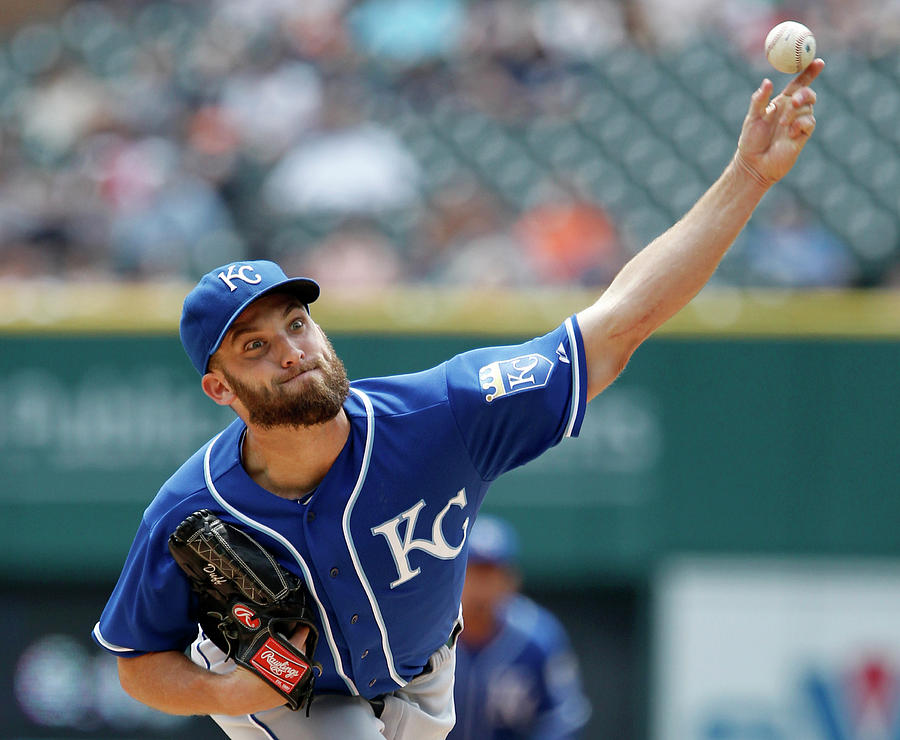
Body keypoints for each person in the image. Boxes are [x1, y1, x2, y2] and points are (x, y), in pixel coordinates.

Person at [91, 60, 823, 740]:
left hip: (421, 683)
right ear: (219, 388)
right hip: (283, 701)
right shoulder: (190, 508)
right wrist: (223, 695)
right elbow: (137, 661)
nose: (291, 350)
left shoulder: (446, 413)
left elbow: (620, 321)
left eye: (296, 322)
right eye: (254, 345)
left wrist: (748, 176)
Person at [450, 515, 590, 739]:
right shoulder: (428, 636)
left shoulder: (538, 637)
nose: (481, 585)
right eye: (474, 571)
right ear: (455, 575)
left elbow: (564, 717)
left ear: (511, 580)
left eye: (491, 573)